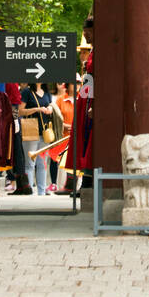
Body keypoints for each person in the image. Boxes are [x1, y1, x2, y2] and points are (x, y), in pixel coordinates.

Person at [68, 16, 95, 193]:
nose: (87, 37)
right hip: (87, 95)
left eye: (88, 33)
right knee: (85, 137)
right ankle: (85, 179)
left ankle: (88, 180)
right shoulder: (94, 50)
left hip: (92, 96)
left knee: (91, 138)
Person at [16, 82, 52, 194]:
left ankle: (41, 192)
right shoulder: (27, 92)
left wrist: (50, 108)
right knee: (30, 163)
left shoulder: (47, 92)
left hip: (45, 131)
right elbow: (20, 111)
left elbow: (50, 104)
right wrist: (37, 109)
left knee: (42, 163)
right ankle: (29, 190)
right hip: (31, 129)